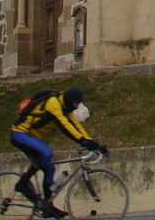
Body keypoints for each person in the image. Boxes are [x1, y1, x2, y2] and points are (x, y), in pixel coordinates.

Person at [9, 87, 107, 219]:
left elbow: (76, 126)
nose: (76, 107)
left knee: (50, 168)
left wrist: (94, 144)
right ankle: (22, 184)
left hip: (32, 137)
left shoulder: (66, 108)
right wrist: (82, 142)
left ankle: (48, 207)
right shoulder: (53, 103)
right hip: (20, 134)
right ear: (70, 101)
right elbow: (64, 125)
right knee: (47, 153)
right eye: (75, 104)